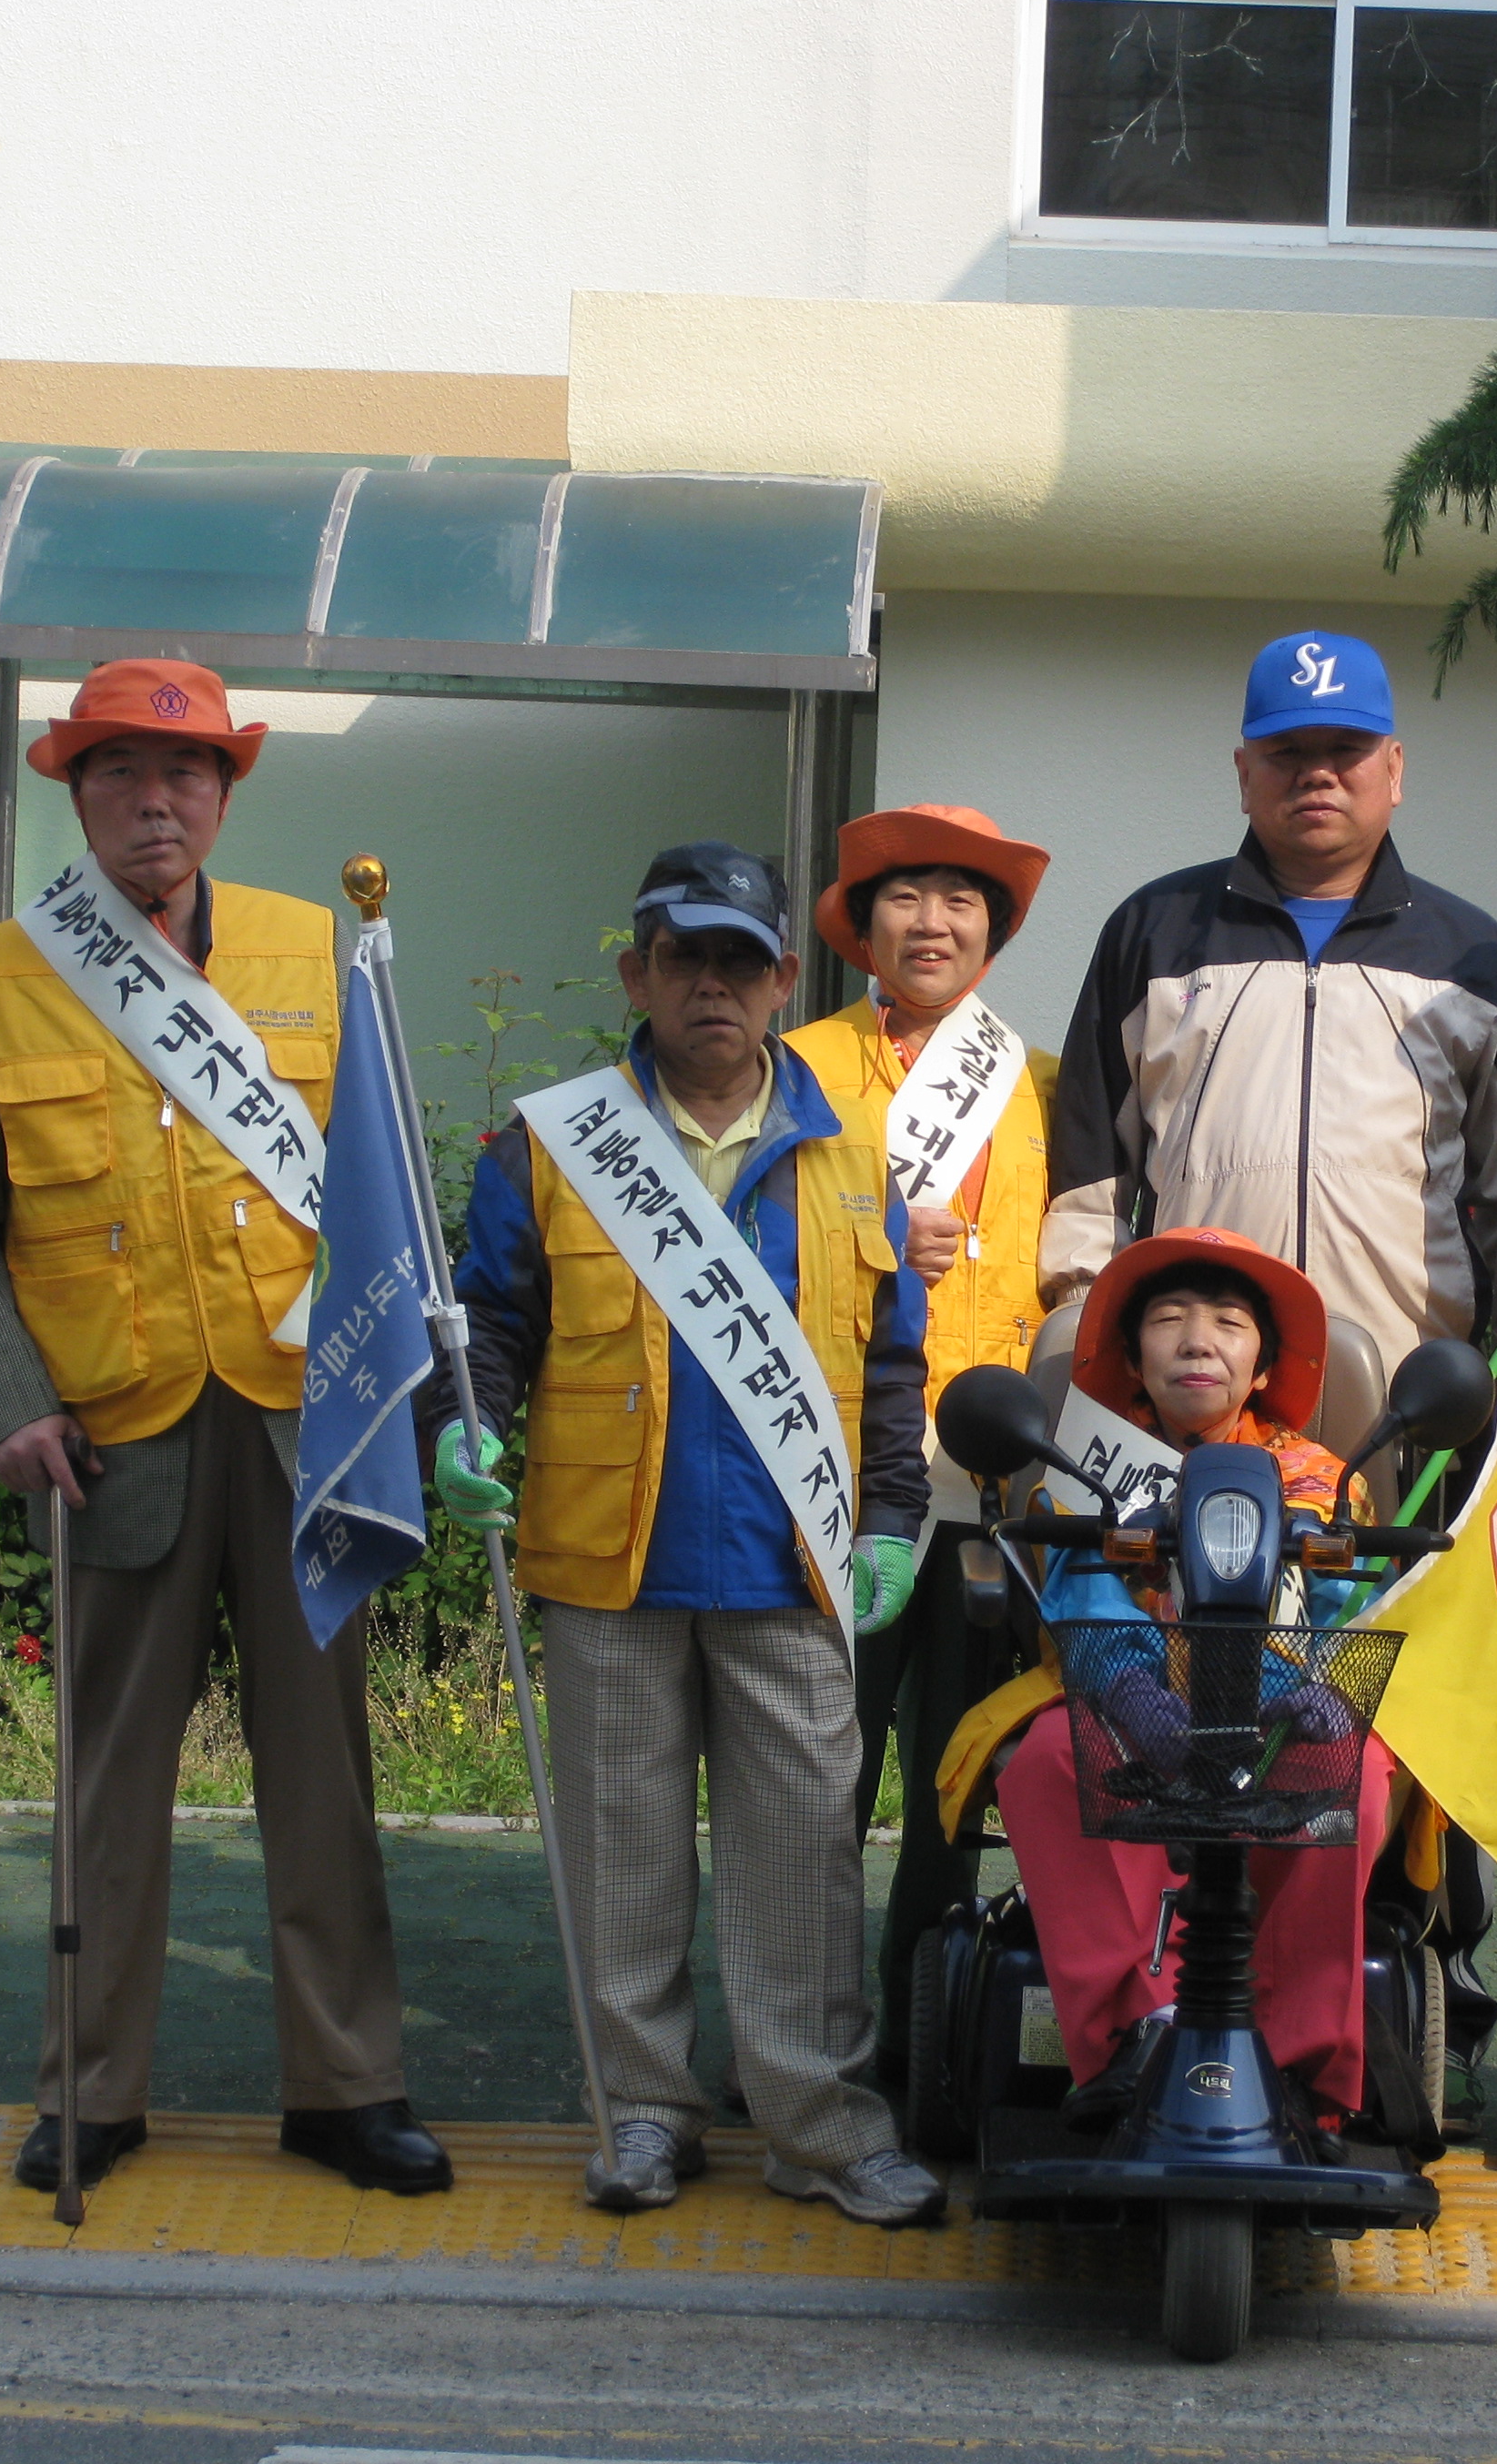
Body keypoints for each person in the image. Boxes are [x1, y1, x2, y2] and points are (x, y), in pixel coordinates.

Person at [0, 661, 450, 2198]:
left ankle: (347, 2087)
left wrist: (408, 1388)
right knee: (108, 1789)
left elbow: (385, 1188)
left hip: (300, 1426)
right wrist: (9, 1407)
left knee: (325, 1778)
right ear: (74, 791)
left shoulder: (314, 949)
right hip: (107, 1438)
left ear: (225, 793)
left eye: (188, 775)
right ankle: (92, 2092)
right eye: (123, 774)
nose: (157, 802)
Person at [1040, 627, 1497, 2106]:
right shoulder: (1155, 931)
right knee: (1154, 1700)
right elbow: (1091, 1172)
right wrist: (1080, 1359)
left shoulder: (1469, 956)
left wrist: (1485, 1408)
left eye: (1343, 754)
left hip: (1395, 1423)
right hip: (1181, 1408)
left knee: (1384, 1714)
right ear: (1244, 770)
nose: (1316, 777)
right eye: (1287, 754)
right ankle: (1156, 2015)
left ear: (1393, 770)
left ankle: (1406, 1992)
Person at [427, 841, 947, 2228]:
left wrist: (893, 1519)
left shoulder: (853, 1157)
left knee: (804, 1861)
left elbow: (892, 1368)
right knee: (623, 1856)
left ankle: (817, 2126)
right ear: (637, 974)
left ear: (784, 979)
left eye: (740, 960)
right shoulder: (553, 1145)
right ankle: (644, 2111)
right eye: (683, 957)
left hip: (792, 1562)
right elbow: (489, 1320)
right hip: (610, 1559)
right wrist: (464, 1428)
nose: (712, 984)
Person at [935, 1227, 1395, 2126]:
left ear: (1263, 1368)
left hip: (1285, 1714)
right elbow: (1084, 1602)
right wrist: (1138, 1692)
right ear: (1134, 1360)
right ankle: (1132, 2037)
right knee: (1048, 1763)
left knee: (1359, 1775)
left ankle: (1301, 2075)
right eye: (1168, 1320)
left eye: (1228, 1323)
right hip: (1122, 1708)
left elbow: (1354, 1608)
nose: (1196, 1340)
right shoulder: (1086, 1478)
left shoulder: (1325, 1483)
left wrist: (1319, 1689)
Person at [782, 803, 1057, 2074]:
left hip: (988, 1488)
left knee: (958, 1778)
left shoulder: (1041, 1084)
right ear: (861, 924)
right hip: (828, 1474)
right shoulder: (793, 1067)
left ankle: (923, 2042)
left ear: (993, 931)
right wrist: (873, 1235)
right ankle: (796, 2040)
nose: (932, 923)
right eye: (905, 897)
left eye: (961, 900)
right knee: (813, 1778)